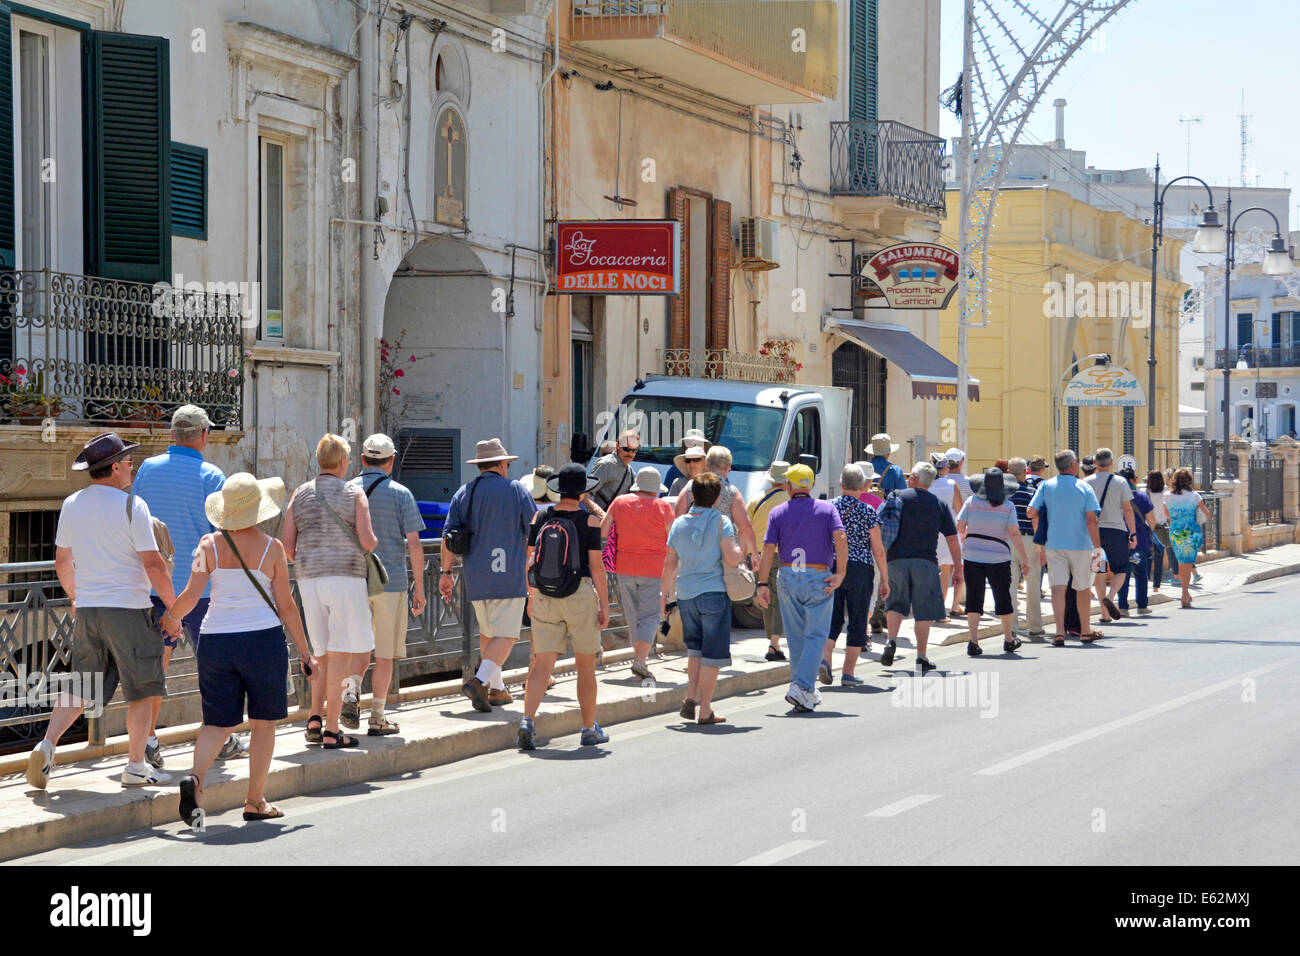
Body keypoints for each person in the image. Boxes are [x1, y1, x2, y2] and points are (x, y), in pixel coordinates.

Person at [167, 474, 317, 828]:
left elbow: (190, 596)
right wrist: (306, 653)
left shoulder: (208, 545)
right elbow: (287, 607)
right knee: (264, 723)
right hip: (261, 640)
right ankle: (254, 801)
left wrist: (170, 619)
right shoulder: (273, 548)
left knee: (217, 722)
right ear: (257, 509)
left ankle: (195, 779)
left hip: (216, 640)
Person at [28, 433, 176, 790]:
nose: (132, 468)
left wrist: (77, 596)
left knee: (82, 686)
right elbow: (154, 564)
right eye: (128, 463)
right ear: (113, 468)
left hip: (89, 611)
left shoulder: (72, 503)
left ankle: (46, 745)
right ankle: (136, 765)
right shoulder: (133, 506)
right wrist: (174, 608)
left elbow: (62, 560)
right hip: (129, 611)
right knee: (141, 690)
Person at [282, 434, 379, 748]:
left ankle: (314, 719)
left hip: (309, 578)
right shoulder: (354, 493)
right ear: (342, 462)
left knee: (321, 653)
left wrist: (310, 559)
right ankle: (333, 730)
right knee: (340, 653)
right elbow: (367, 541)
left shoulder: (300, 494)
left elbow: (288, 547)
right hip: (346, 577)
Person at [440, 438, 538, 712]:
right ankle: (480, 681)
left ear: (480, 466)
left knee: (489, 633)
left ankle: (497, 689)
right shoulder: (517, 490)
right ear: (502, 464)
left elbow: (448, 538)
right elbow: (534, 531)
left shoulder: (464, 493)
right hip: (509, 576)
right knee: (507, 636)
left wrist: (445, 572)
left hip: (476, 576)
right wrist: (532, 570)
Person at [519, 464, 611, 749]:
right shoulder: (590, 522)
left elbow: (530, 560)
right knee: (585, 666)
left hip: (546, 595)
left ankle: (527, 721)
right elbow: (597, 568)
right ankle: (587, 728)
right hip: (580, 595)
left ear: (558, 488)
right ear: (583, 491)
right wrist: (604, 605)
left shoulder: (542, 514)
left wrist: (532, 595)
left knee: (541, 666)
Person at [348, 434, 427, 734]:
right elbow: (415, 545)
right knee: (384, 654)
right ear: (391, 461)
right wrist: (419, 589)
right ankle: (377, 716)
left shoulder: (347, 491)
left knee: (356, 651)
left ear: (363, 460)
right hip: (390, 583)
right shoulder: (401, 494)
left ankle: (351, 695)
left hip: (353, 582)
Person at [755, 464, 847, 711]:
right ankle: (801, 686)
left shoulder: (778, 512)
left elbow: (767, 550)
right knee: (816, 634)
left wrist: (762, 584)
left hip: (787, 575)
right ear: (811, 486)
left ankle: (804, 689)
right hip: (818, 576)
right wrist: (841, 573)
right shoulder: (827, 509)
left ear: (788, 486)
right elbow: (840, 537)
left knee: (795, 637)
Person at [662, 472, 744, 724]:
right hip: (713, 593)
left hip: (686, 595)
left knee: (694, 650)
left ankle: (690, 696)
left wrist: (665, 596)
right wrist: (744, 552)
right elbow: (732, 558)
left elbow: (669, 565)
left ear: (691, 496)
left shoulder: (678, 524)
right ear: (717, 497)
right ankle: (705, 709)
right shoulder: (721, 522)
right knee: (713, 654)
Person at [876, 462, 961, 673]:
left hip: (896, 559)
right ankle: (921, 656)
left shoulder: (896, 497)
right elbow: (952, 539)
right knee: (924, 611)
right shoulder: (938, 503)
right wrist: (958, 568)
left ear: (914, 478)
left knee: (895, 604)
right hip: (926, 562)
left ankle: (891, 641)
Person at [602, 467, 675, 681]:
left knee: (633, 616)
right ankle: (640, 662)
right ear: (656, 489)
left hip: (624, 566)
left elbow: (603, 530)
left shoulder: (619, 503)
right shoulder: (662, 507)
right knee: (650, 616)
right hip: (653, 568)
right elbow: (673, 539)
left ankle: (638, 660)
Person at [1027, 450, 1103, 646]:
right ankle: (1085, 630)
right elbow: (1091, 520)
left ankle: (1059, 632)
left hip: (1054, 544)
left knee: (1058, 589)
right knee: (1083, 588)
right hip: (1080, 545)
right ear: (1073, 465)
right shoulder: (1083, 487)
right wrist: (1097, 548)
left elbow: (1031, 511)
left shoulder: (1046, 485)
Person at [821, 464, 888, 685]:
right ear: (862, 486)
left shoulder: (829, 507)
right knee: (858, 619)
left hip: (832, 566)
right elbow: (878, 549)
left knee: (832, 618)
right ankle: (848, 673)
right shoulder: (868, 511)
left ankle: (826, 661)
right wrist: (885, 580)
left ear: (841, 485)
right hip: (860, 569)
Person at [957, 468, 1031, 655]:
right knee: (1003, 597)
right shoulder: (1008, 506)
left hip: (972, 556)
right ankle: (1008, 639)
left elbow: (960, 526)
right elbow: (1014, 533)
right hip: (999, 558)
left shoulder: (971, 502)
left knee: (974, 599)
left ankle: (973, 641)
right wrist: (1024, 558)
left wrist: (969, 537)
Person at [674, 446, 760, 562]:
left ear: (707, 466)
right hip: (723, 555)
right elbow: (744, 526)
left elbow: (679, 518)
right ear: (727, 467)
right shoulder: (732, 492)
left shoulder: (690, 486)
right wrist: (754, 553)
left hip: (694, 553)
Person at [1083, 448, 1137, 623]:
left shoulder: (1086, 482)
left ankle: (1104, 613)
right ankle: (1110, 597)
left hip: (1094, 531)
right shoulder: (1121, 482)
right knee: (1121, 569)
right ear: (1112, 463)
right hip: (1116, 530)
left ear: (1095, 463)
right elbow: (1128, 510)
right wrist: (1133, 533)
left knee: (1098, 570)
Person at [746, 461, 791, 661]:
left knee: (765, 597)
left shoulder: (755, 499)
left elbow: (746, 527)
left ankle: (771, 640)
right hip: (782, 553)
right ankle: (775, 642)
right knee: (781, 597)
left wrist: (749, 554)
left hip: (759, 553)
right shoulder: (789, 500)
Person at [1007, 456, 1047, 636]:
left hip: (1008, 541)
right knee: (1033, 584)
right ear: (1025, 472)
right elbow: (1036, 518)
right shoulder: (1032, 491)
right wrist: (1042, 545)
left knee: (1011, 585)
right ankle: (1035, 626)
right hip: (1030, 540)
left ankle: (1011, 626)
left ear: (1008, 472)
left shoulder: (1004, 494)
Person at [1165, 467, 1211, 609]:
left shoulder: (1167, 495)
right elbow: (1207, 515)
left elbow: (1166, 514)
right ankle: (1185, 594)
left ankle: (1186, 594)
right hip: (1191, 532)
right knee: (1187, 564)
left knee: (1181, 563)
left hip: (1176, 533)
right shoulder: (1195, 496)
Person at [1116, 466, 1157, 617]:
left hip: (1120, 541)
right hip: (1140, 541)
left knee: (1122, 575)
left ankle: (1123, 607)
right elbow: (1152, 521)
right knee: (1141, 574)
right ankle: (1142, 606)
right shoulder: (1142, 497)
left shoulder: (1117, 497)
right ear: (1134, 480)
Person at [853, 461, 888, 637]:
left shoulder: (843, 501)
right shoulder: (876, 502)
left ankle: (857, 629)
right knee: (870, 594)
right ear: (867, 482)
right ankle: (863, 629)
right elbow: (881, 533)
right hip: (869, 555)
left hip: (847, 554)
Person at [929, 453, 964, 621]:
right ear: (945, 467)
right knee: (946, 571)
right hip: (948, 531)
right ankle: (942, 610)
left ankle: (933, 607)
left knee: (932, 571)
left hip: (929, 531)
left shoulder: (926, 484)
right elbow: (959, 510)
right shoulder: (951, 484)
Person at [583, 429, 640, 521]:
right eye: (626, 449)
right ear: (618, 446)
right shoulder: (605, 465)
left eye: (634, 450)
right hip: (600, 526)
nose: (630, 454)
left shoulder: (631, 472)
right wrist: (601, 514)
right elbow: (585, 494)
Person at [1146, 470, 1177, 590]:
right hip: (1163, 528)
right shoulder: (1166, 493)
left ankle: (1147, 578)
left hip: (1149, 527)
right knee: (1159, 557)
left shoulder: (1147, 493)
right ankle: (1156, 586)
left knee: (1147, 555)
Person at [665, 428, 711, 495]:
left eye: (696, 459)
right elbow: (665, 501)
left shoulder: (716, 470)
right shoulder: (674, 470)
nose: (692, 463)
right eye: (688, 460)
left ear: (704, 447)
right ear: (685, 446)